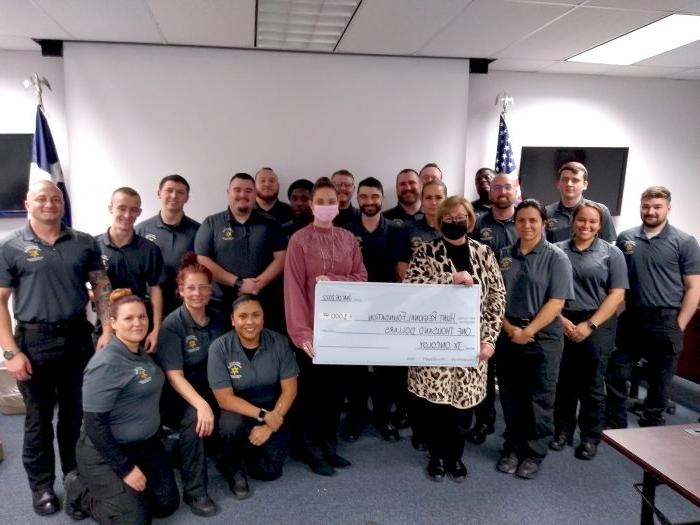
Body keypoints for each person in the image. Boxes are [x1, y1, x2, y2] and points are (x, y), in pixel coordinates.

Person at [0, 180, 111, 516]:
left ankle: (75, 481)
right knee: (38, 420)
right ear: (27, 203)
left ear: (63, 204)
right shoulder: (11, 247)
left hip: (78, 338)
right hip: (34, 342)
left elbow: (102, 286)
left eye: (56, 198)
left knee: (74, 417)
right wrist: (10, 353)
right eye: (42, 198)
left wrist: (107, 328)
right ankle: (43, 486)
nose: (50, 203)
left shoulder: (84, 242)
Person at [403, 196, 506, 482]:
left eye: (460, 217)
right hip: (433, 346)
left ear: (470, 220)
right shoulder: (425, 252)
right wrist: (448, 279)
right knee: (435, 408)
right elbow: (410, 289)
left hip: (471, 346)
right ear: (439, 222)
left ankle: (455, 456)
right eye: (447, 219)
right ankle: (436, 456)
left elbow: (497, 298)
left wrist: (489, 339)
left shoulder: (484, 253)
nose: (453, 222)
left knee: (463, 408)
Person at [65, 290, 179, 524]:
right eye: (129, 318)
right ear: (113, 323)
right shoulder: (106, 364)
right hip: (104, 451)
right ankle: (79, 490)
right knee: (135, 520)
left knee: (166, 505)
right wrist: (125, 469)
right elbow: (95, 426)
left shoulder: (139, 351)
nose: (138, 323)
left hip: (144, 446)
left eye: (142, 317)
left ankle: (126, 494)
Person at [284, 176, 367, 476]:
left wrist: (335, 281)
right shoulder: (298, 241)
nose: (326, 206)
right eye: (320, 201)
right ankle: (312, 451)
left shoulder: (347, 239)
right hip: (312, 333)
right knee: (312, 395)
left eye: (331, 201)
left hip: (342, 332)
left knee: (335, 394)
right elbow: (292, 288)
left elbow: (361, 278)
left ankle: (330, 449)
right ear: (310, 204)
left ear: (338, 204)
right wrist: (301, 333)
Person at [606, 186, 700, 428]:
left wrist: (679, 325)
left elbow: (693, 287)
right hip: (631, 318)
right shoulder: (626, 238)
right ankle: (616, 425)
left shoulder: (685, 242)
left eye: (657, 207)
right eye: (646, 206)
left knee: (660, 382)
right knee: (616, 373)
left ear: (668, 208)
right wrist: (618, 313)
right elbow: (618, 281)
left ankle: (651, 427)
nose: (650, 212)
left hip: (666, 318)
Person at [495, 199, 574, 480]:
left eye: (533, 220)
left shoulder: (556, 257)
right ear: (514, 223)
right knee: (511, 396)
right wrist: (508, 329)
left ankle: (534, 452)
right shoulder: (503, 254)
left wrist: (527, 332)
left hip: (542, 337)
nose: (527, 226)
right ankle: (513, 447)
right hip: (507, 334)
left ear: (543, 223)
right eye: (521, 220)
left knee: (539, 398)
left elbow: (556, 302)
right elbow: (494, 297)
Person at [551, 202, 627, 460]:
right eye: (582, 220)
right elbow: (546, 290)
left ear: (600, 225)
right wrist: (560, 319)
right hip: (561, 320)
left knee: (593, 384)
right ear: (573, 221)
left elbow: (617, 294)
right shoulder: (556, 250)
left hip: (597, 323)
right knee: (564, 382)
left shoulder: (612, 253)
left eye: (593, 222)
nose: (586, 225)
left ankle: (589, 437)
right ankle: (562, 430)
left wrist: (590, 324)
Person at [156, 253, 228, 516]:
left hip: (215, 389)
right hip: (182, 396)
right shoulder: (172, 325)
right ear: (180, 291)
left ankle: (234, 470)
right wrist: (201, 405)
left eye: (203, 287)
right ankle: (195, 491)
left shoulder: (220, 319)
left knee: (235, 417)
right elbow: (175, 376)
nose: (197, 293)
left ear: (210, 290)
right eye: (190, 287)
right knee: (194, 421)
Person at [208, 295, 298, 498]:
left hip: (273, 407)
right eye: (243, 316)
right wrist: (265, 416)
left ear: (263, 317)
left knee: (269, 471)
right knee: (231, 427)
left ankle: (247, 448)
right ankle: (233, 469)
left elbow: (290, 390)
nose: (250, 322)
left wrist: (269, 426)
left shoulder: (279, 342)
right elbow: (225, 399)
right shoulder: (219, 348)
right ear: (233, 320)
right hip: (237, 409)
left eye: (256, 315)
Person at [340, 177, 404, 442]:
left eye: (374, 197)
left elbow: (401, 271)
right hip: (354, 310)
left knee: (386, 369)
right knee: (354, 368)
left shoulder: (396, 230)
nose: (369, 202)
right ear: (357, 198)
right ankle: (355, 417)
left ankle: (382, 416)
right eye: (364, 197)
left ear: (382, 198)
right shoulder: (344, 229)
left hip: (386, 309)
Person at [466, 172, 518, 445]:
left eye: (507, 187)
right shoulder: (477, 224)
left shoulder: (526, 222)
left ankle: (513, 426)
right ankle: (484, 421)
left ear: (515, 190)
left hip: (517, 309)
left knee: (509, 374)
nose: (501, 192)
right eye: (496, 187)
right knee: (483, 371)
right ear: (490, 192)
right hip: (483, 310)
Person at [194, 173, 287, 324]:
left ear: (255, 194)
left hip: (263, 304)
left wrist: (258, 284)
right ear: (228, 192)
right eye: (237, 190)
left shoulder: (271, 224)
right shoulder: (211, 223)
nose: (242, 195)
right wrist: (238, 283)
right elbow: (202, 260)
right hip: (221, 306)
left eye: (248, 191)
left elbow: (282, 257)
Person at [96, 187, 166, 353]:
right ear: (110, 208)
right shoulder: (93, 246)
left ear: (139, 212)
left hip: (139, 327)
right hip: (106, 328)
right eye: (122, 208)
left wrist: (156, 329)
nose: (127, 215)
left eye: (133, 210)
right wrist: (107, 332)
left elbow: (156, 289)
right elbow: (89, 285)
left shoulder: (149, 249)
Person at [135, 174, 200, 316]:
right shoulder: (141, 230)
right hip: (147, 305)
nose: (174, 195)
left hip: (183, 305)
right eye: (169, 190)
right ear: (159, 194)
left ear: (187, 198)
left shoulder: (198, 231)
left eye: (180, 192)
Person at [545, 161, 616, 243]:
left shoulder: (601, 211)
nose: (569, 184)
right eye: (565, 180)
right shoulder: (546, 213)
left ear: (585, 185)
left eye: (575, 180)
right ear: (558, 184)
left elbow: (609, 248)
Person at [396, 179, 447, 280]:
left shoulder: (454, 229)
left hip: (446, 289)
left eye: (438, 197)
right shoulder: (407, 228)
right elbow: (401, 265)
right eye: (428, 198)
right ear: (421, 200)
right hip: (415, 290)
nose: (433, 202)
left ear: (446, 200)